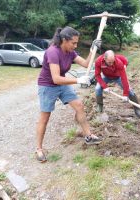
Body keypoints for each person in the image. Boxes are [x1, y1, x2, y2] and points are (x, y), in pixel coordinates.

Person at [36, 26, 102, 163]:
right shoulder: (53, 52)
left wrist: (92, 50)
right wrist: (78, 80)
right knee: (45, 117)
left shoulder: (70, 52)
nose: (76, 45)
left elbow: (85, 63)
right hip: (48, 85)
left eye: (77, 43)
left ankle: (88, 135)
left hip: (62, 84)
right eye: (74, 43)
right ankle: (39, 149)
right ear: (64, 40)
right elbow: (56, 78)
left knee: (79, 105)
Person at [95, 50, 140, 116]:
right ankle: (100, 106)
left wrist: (125, 94)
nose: (111, 64)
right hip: (106, 77)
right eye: (109, 62)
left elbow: (124, 79)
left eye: (112, 62)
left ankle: (137, 109)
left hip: (117, 77)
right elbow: (97, 75)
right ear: (104, 58)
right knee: (97, 88)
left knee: (130, 91)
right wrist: (104, 86)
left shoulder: (119, 63)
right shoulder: (98, 61)